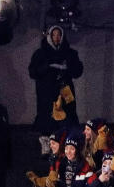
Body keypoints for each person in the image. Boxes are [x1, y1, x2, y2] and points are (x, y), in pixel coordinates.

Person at [28, 26, 84, 156]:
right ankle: (47, 147)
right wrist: (47, 67)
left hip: (65, 91)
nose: (57, 38)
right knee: (47, 117)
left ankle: (67, 146)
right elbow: (33, 72)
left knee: (68, 116)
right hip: (46, 92)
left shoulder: (70, 53)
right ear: (49, 36)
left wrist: (67, 67)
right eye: (54, 35)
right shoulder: (40, 53)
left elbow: (78, 71)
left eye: (59, 35)